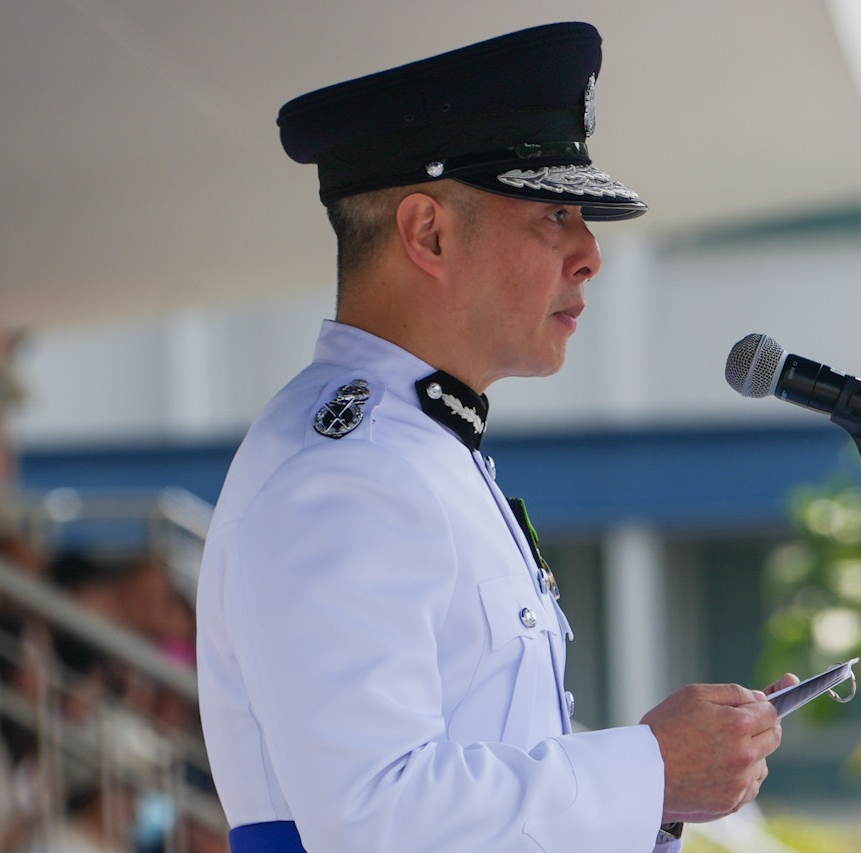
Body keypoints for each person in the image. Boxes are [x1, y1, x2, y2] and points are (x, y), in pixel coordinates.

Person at [195, 22, 794, 853]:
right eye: (555, 212)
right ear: (428, 233)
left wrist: (663, 793)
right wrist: (650, 767)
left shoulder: (421, 447)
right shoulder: (349, 470)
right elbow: (374, 815)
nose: (589, 254)